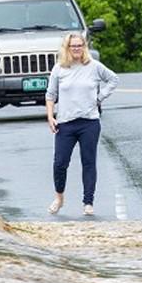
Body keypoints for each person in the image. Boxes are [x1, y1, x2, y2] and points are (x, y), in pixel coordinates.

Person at [45, 33, 118, 216]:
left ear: (84, 47)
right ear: (67, 48)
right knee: (60, 163)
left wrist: (100, 98)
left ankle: (88, 202)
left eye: (80, 45)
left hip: (89, 122)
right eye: (73, 46)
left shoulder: (94, 66)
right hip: (65, 123)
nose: (77, 49)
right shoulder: (59, 69)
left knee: (89, 162)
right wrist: (50, 116)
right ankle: (59, 198)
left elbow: (113, 79)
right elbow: (50, 94)